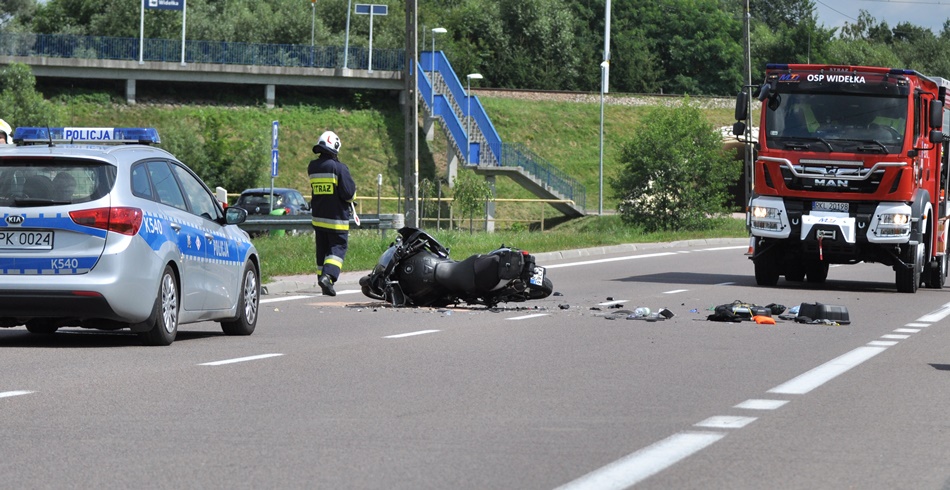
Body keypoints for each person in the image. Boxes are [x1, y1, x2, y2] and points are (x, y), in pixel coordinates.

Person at [308, 130, 357, 297]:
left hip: (318, 218)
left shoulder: (312, 167)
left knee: (322, 250)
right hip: (336, 220)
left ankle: (322, 278)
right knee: (338, 248)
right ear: (335, 147)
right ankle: (328, 278)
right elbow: (348, 193)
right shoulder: (339, 168)